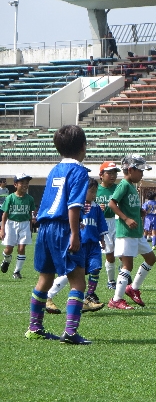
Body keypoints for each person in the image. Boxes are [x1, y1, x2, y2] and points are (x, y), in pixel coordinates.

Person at [26, 125, 90, 344]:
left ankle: (34, 327)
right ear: (83, 146)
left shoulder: (55, 170)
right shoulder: (80, 171)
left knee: (45, 278)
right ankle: (71, 333)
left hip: (44, 228)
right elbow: (73, 205)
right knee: (78, 281)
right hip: (63, 227)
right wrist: (75, 234)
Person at [45, 178, 107, 314]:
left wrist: (102, 239)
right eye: (91, 191)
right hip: (78, 244)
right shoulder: (75, 206)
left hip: (93, 245)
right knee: (71, 273)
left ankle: (88, 297)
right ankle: (48, 296)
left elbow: (101, 224)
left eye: (95, 192)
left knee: (96, 268)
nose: (94, 194)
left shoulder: (96, 207)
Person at [107, 155, 156, 310]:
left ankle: (133, 288)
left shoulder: (132, 186)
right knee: (127, 265)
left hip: (136, 233)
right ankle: (116, 299)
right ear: (130, 169)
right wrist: (126, 219)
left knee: (151, 258)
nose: (142, 174)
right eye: (140, 171)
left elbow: (128, 205)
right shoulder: (124, 185)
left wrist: (139, 212)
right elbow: (112, 203)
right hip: (126, 231)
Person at [1, 173, 36, 279]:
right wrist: (2, 229)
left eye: (27, 183)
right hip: (11, 224)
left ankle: (17, 272)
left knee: (22, 247)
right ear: (15, 184)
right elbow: (4, 215)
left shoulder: (29, 199)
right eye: (22, 183)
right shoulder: (10, 198)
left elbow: (30, 215)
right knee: (9, 249)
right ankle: (6, 260)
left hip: (24, 224)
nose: (25, 185)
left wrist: (30, 227)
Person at [96, 161, 120, 290]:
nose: (113, 176)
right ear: (101, 174)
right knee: (109, 254)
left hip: (117, 222)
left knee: (123, 252)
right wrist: (96, 209)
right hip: (103, 224)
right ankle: (111, 280)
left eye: (114, 173)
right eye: (109, 173)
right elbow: (87, 206)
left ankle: (124, 274)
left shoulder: (118, 188)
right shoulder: (95, 189)